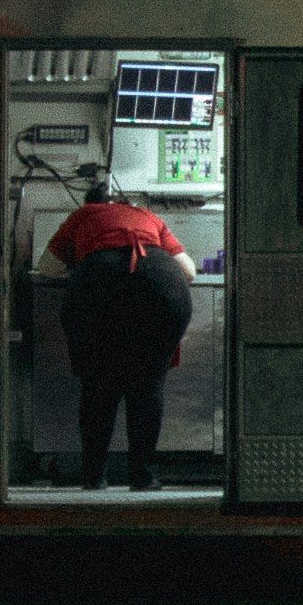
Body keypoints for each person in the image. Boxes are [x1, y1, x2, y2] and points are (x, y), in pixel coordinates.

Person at [46, 176, 193, 490]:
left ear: (91, 201)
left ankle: (93, 476)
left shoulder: (84, 215)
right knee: (148, 386)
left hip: (97, 288)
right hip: (161, 287)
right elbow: (189, 270)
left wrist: (82, 262)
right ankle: (142, 476)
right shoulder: (147, 216)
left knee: (99, 386)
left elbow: (47, 267)